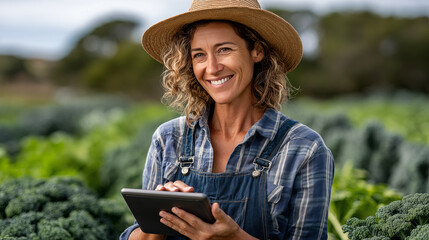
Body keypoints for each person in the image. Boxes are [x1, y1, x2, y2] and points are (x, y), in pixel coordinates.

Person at [120, 0, 334, 239]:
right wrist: (160, 220)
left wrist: (235, 238)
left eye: (224, 50)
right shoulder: (169, 139)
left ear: (257, 51)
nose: (212, 68)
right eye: (199, 55)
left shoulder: (304, 149)